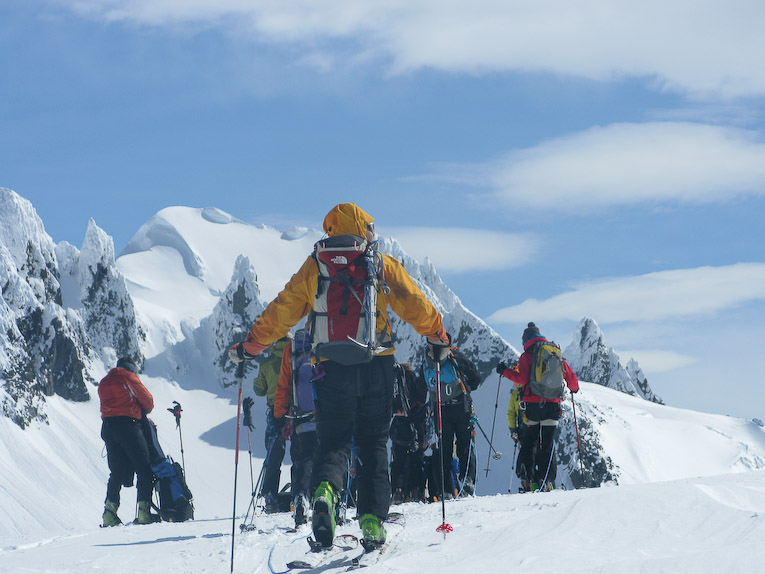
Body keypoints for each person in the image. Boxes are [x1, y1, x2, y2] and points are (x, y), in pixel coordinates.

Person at [228, 203, 446, 550]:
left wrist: (251, 345)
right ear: (361, 228)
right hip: (376, 364)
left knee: (333, 442)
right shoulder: (380, 263)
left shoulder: (316, 266)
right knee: (373, 444)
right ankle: (371, 521)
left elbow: (282, 310)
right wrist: (438, 336)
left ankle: (326, 493)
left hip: (329, 367)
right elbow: (414, 302)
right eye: (369, 226)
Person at [497, 322, 578, 491]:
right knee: (547, 444)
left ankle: (529, 480)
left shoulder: (526, 356)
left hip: (533, 406)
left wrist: (504, 371)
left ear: (526, 340)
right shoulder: (554, 353)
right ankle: (547, 481)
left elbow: (521, 379)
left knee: (529, 441)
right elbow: (570, 377)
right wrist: (574, 388)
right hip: (553, 405)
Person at [420, 334, 482, 499]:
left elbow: (422, 386)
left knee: (443, 449)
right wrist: (465, 388)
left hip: (440, 410)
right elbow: (476, 378)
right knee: (465, 445)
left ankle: (445, 489)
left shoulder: (426, 361)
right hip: (461, 406)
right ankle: (467, 480)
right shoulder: (455, 356)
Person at [98, 357, 155, 526]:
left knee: (116, 472)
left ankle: (109, 514)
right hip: (129, 428)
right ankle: (144, 513)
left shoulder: (104, 382)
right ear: (131, 368)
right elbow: (149, 403)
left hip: (108, 428)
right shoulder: (128, 377)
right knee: (144, 468)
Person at [274, 327, 318, 528]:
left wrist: (279, 415)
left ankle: (300, 496)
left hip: (300, 414)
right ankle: (325, 499)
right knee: (328, 456)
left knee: (302, 458)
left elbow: (284, 385)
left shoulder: (292, 348)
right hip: (327, 413)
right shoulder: (327, 340)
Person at [252, 334, 292, 513]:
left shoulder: (267, 364)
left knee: (273, 456)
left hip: (275, 411)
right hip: (296, 411)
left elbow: (259, 389)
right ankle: (301, 493)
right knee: (301, 454)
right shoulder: (295, 358)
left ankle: (270, 496)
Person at [389, 362, 429, 504]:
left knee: (398, 460)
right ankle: (416, 490)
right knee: (416, 459)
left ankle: (398, 490)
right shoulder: (417, 382)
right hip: (417, 426)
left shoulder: (395, 384)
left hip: (400, 426)